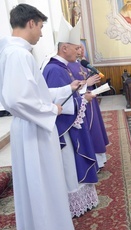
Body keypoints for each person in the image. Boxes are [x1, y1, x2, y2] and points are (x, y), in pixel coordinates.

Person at [0, 4, 79, 230]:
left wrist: (67, 89)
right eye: (41, 26)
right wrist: (50, 110)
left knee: (41, 185)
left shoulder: (11, 51)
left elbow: (36, 92)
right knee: (44, 186)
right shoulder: (19, 54)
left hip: (29, 126)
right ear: (31, 23)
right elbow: (16, 98)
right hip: (34, 129)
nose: (42, 33)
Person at [42, 18, 99, 218]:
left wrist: (80, 97)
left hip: (71, 123)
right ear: (64, 48)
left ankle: (78, 199)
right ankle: (71, 202)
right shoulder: (55, 69)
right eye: (76, 48)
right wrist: (85, 98)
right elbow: (60, 104)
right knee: (68, 166)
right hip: (65, 130)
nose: (79, 52)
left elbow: (68, 96)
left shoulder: (62, 66)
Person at [68, 45, 109, 169]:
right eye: (77, 48)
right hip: (81, 102)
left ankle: (99, 160)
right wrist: (87, 83)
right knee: (89, 130)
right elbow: (70, 87)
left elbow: (88, 80)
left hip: (91, 100)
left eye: (81, 48)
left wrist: (94, 82)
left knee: (95, 129)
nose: (80, 50)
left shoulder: (83, 64)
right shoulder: (67, 66)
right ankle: (91, 161)